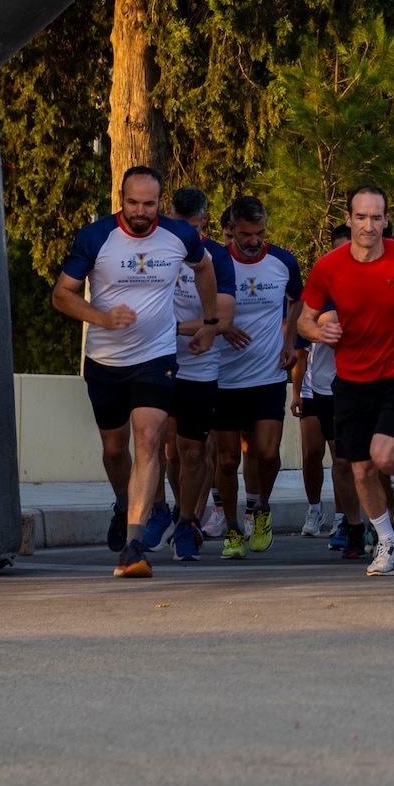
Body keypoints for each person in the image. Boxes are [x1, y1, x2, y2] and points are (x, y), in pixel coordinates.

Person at [53, 166, 225, 578]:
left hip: (157, 356)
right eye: (133, 203)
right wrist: (101, 318)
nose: (141, 212)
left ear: (161, 203)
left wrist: (210, 321)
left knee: (149, 439)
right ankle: (121, 501)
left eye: (149, 204)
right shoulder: (96, 237)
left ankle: (132, 546)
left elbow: (204, 268)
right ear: (121, 198)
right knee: (116, 449)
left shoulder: (180, 236)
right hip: (106, 362)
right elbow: (62, 295)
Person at [297, 185, 394, 577]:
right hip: (350, 379)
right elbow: (304, 320)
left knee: (382, 456)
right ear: (348, 219)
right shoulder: (328, 266)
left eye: (376, 217)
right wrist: (317, 333)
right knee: (359, 468)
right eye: (361, 217)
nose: (368, 225)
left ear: (386, 220)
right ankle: (387, 542)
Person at [211, 196, 304, 560]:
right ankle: (233, 530)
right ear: (231, 229)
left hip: (267, 374)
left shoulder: (283, 261)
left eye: (260, 233)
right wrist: (221, 327)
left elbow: (297, 299)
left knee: (267, 453)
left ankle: (261, 508)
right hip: (222, 378)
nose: (254, 241)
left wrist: (290, 341)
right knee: (227, 460)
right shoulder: (216, 262)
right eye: (246, 234)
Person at [163, 186, 235, 562]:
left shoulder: (218, 258)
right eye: (180, 225)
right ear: (168, 214)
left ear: (205, 220)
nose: (187, 233)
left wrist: (173, 328)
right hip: (157, 361)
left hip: (199, 366)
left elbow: (222, 319)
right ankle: (173, 512)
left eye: (193, 225)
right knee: (166, 449)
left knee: (194, 452)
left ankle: (188, 523)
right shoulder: (155, 250)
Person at [295, 226, 361, 553]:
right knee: (341, 461)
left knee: (375, 460)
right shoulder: (318, 290)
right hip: (326, 388)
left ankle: (378, 524)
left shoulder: (381, 280)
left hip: (371, 383)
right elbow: (301, 338)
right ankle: (346, 523)